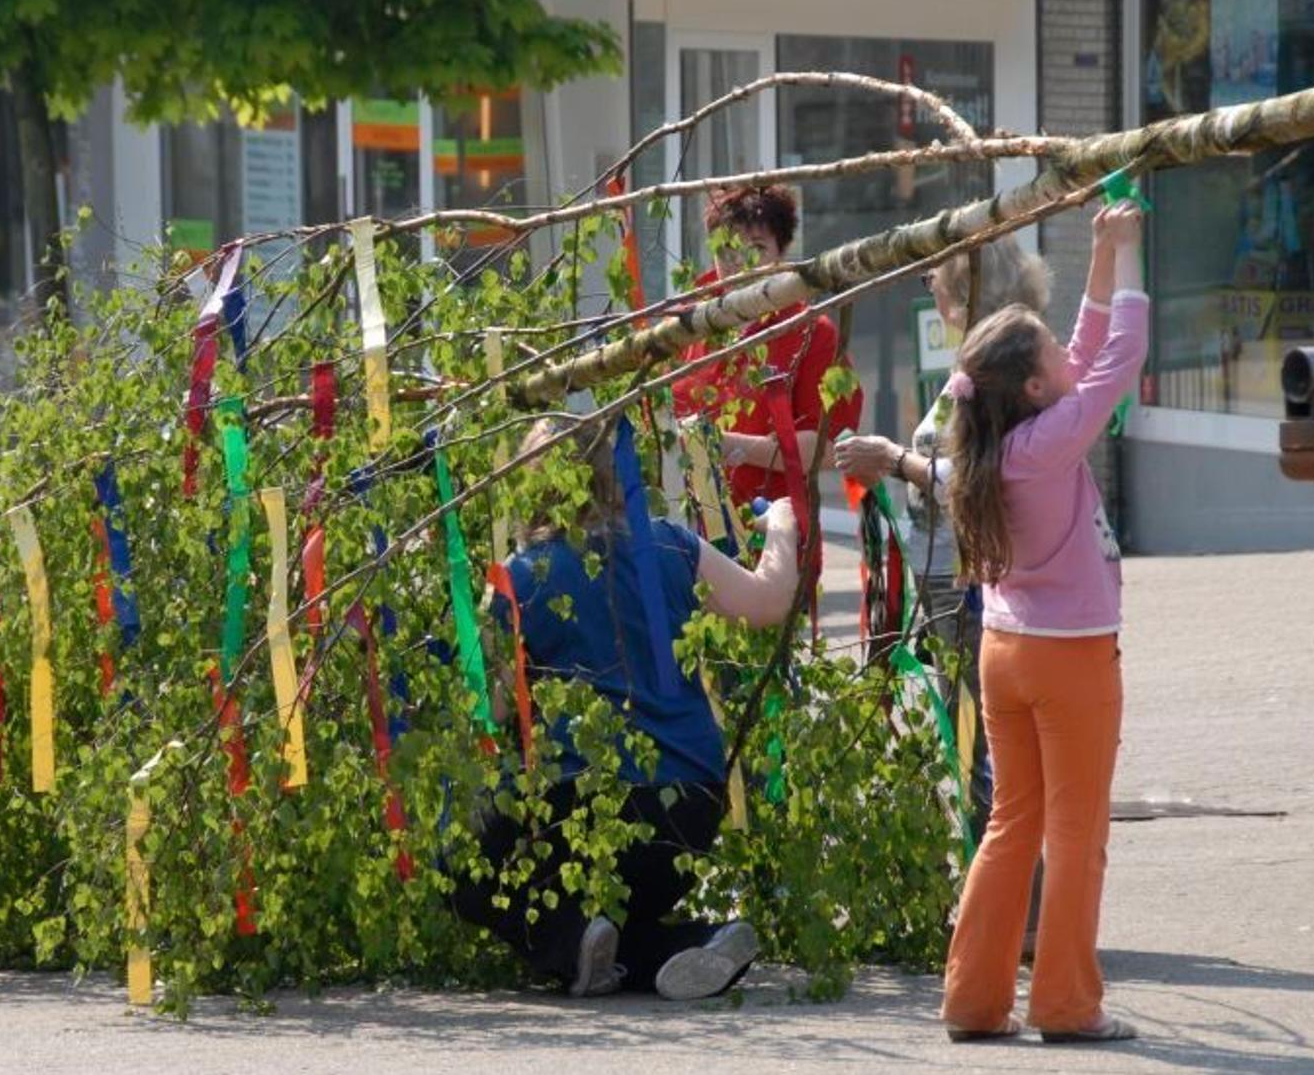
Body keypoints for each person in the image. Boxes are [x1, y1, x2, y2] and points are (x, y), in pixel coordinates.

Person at [451, 417, 802, 1000]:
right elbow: (768, 600)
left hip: (583, 807)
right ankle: (691, 943)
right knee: (623, 914)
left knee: (459, 859)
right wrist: (783, 526)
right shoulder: (671, 544)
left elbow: (488, 710)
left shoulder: (518, 576)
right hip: (690, 808)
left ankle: (571, 945)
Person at [939, 200, 1146, 1044]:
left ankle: (973, 1002)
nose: (1069, 351)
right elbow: (1123, 351)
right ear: (1032, 387)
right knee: (1076, 830)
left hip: (1005, 651)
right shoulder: (1051, 438)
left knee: (1011, 821)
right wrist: (1130, 257)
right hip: (1068, 661)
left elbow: (1089, 351)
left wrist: (1098, 256)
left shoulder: (997, 443)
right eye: (1052, 352)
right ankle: (1065, 1004)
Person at [833, 237, 1052, 842]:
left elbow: (983, 477)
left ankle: (1007, 901)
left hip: (972, 583)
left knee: (984, 743)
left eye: (937, 278)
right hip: (952, 579)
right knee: (975, 736)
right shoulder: (978, 369)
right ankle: (1004, 896)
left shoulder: (995, 377)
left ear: (965, 293)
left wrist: (894, 459)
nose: (929, 287)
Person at [673, 186, 861, 507]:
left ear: (781, 252)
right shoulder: (687, 323)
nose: (742, 264)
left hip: (776, 531)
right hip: (688, 527)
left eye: (757, 248)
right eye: (728, 250)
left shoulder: (813, 332)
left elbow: (829, 448)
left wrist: (728, 446)